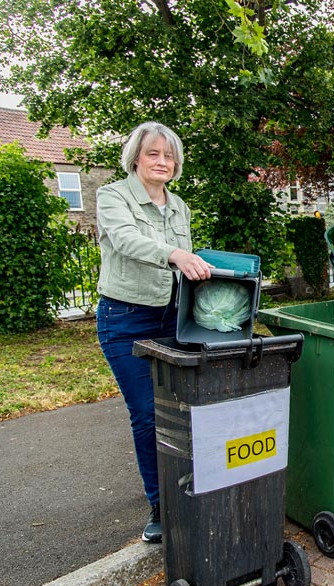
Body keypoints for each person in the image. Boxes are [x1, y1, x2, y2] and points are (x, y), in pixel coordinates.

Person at [95, 122, 212, 543]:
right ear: (136, 158)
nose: (162, 162)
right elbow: (126, 241)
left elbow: (187, 268)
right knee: (148, 414)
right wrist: (177, 254)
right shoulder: (112, 196)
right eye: (153, 154)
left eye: (169, 156)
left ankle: (188, 487)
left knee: (182, 409)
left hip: (170, 319)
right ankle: (161, 505)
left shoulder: (178, 204)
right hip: (125, 319)